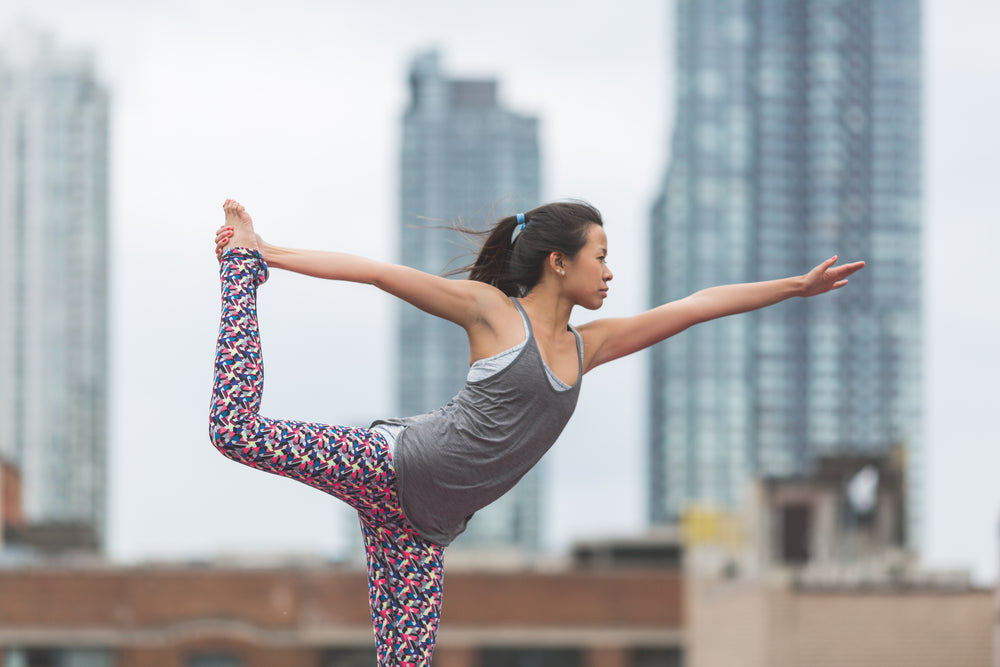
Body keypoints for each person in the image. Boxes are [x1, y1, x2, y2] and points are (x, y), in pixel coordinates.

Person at [210, 198, 864, 666]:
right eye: (601, 257)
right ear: (559, 262)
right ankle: (240, 271)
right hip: (389, 462)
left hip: (421, 531)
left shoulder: (590, 347)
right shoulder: (491, 313)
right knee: (234, 430)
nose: (610, 273)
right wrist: (267, 253)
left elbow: (694, 307)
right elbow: (379, 272)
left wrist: (794, 287)